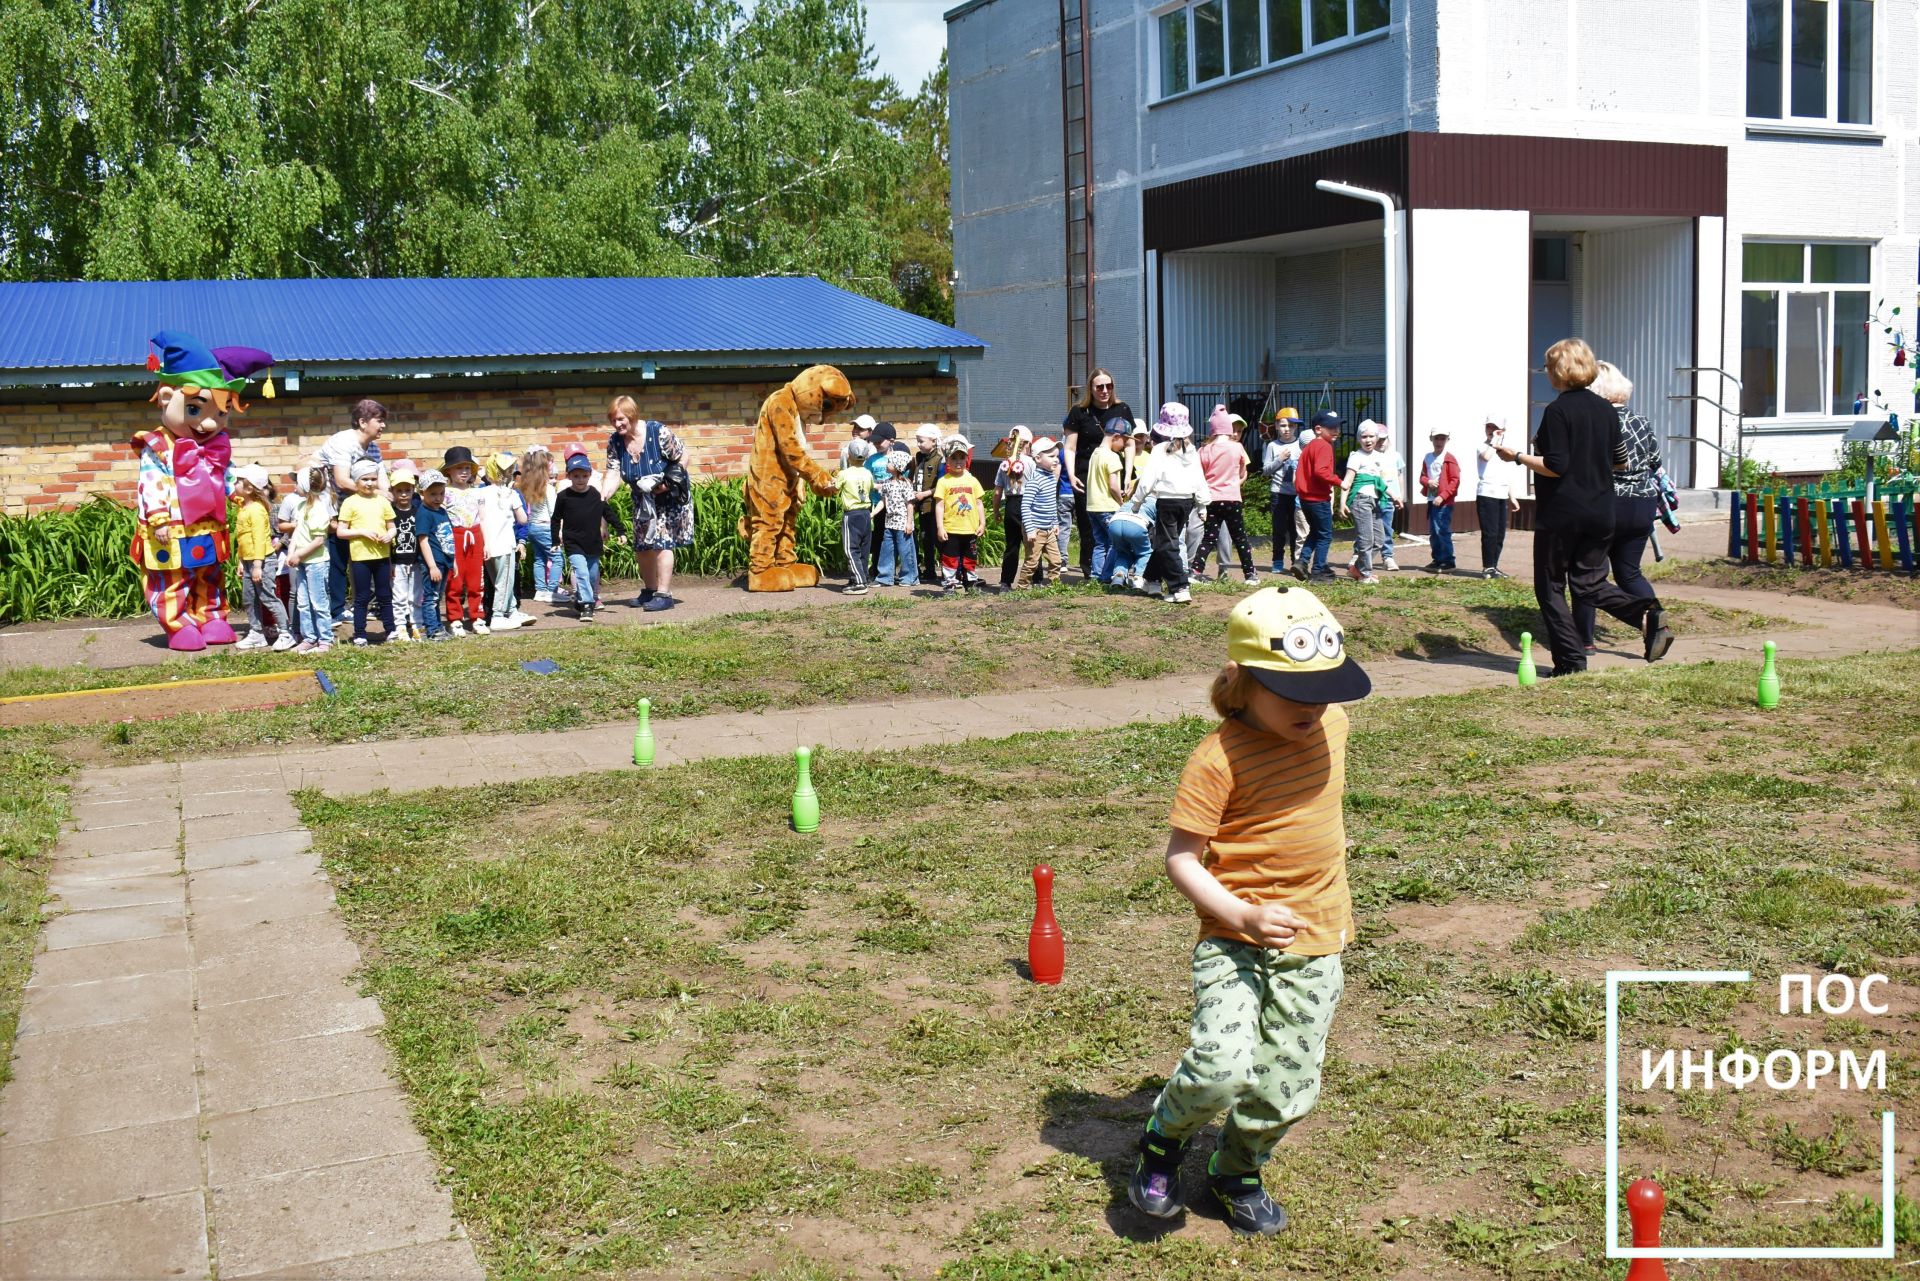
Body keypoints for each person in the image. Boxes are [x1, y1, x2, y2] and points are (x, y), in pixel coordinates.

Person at [1128, 585, 1371, 1233]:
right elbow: (1181, 859)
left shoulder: (1333, 725)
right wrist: (1243, 915)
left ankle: (1235, 1167)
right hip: (1234, 937)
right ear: (1240, 684)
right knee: (1221, 1067)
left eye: (1325, 688)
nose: (1315, 705)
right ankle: (1162, 1141)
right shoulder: (1217, 759)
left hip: (1315, 934)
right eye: (1294, 691)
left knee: (1286, 1087)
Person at [1496, 338, 1674, 676]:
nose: (1546, 373)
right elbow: (1620, 462)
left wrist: (1516, 456)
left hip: (1563, 513)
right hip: (1602, 511)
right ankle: (1646, 613)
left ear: (1561, 371)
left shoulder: (1558, 411)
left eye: (1549, 367)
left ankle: (1571, 662)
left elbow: (1556, 465)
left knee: (1550, 588)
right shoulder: (1606, 408)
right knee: (1588, 584)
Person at [1574, 361, 1663, 648]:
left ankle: (1584, 641)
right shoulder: (1642, 420)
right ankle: (1655, 625)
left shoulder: (1598, 421)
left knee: (1588, 572)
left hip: (1609, 503)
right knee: (1629, 572)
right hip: (1644, 503)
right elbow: (1656, 461)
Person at [315, 399, 387, 631]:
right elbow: (342, 480)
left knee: (358, 557)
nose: (383, 426)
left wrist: (390, 497)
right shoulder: (344, 442)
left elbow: (382, 479)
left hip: (356, 505)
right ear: (362, 421)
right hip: (329, 502)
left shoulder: (374, 448)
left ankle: (362, 605)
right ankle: (335, 610)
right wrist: (375, 492)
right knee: (337, 556)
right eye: (379, 420)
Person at [1062, 368, 1134, 579]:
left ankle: (1115, 570)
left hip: (1115, 472)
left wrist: (1128, 476)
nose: (1104, 390)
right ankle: (1091, 572)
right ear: (1091, 389)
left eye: (1108, 386)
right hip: (1087, 474)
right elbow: (1070, 447)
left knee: (1118, 524)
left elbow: (1129, 445)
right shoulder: (1079, 412)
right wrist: (1072, 474)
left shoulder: (1122, 408)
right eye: (1099, 386)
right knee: (1088, 525)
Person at [1135, 403, 1208, 604]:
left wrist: (1136, 502)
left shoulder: (1159, 449)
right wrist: (1202, 504)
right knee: (1164, 541)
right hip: (1186, 503)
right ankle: (1151, 580)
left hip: (1166, 502)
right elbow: (1199, 477)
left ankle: (1180, 586)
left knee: (1168, 544)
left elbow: (1148, 479)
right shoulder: (1191, 450)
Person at [1195, 408, 1259, 585]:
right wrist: (1232, 484)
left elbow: (1199, 475)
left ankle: (1196, 570)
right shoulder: (1237, 447)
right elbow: (1242, 472)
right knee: (1240, 538)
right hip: (1232, 499)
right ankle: (1250, 574)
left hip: (1211, 499)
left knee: (1209, 537)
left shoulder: (1204, 450)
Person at [231, 464, 292, 650]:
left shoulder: (257, 509)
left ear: (249, 488)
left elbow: (259, 539)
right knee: (249, 598)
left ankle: (285, 632)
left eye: (238, 481)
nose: (234, 484)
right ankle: (257, 633)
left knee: (267, 597)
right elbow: (243, 539)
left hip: (262, 561)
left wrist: (257, 565)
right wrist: (242, 562)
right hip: (250, 561)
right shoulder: (244, 507)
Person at [336, 459, 396, 646]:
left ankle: (390, 630)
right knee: (362, 597)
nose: (369, 483)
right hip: (360, 557)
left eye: (373, 479)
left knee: (385, 594)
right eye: (364, 479)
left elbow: (392, 526)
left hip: (381, 556)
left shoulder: (383, 501)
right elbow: (341, 531)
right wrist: (361, 532)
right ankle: (360, 633)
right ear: (356, 481)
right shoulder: (350, 502)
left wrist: (389, 535)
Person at [552, 451, 614, 621]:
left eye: (584, 476)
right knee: (582, 572)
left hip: (592, 542)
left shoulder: (595, 494)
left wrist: (621, 530)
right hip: (573, 542)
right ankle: (587, 605)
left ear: (589, 475)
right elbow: (556, 519)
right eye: (576, 476)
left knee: (593, 575)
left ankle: (582, 598)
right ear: (569, 476)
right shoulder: (563, 497)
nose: (580, 479)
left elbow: (608, 513)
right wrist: (555, 540)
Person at [285, 464, 335, 656]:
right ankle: (309, 638)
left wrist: (299, 555)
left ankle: (325, 639)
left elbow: (319, 540)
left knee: (318, 602)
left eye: (297, 483)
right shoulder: (301, 506)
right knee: (303, 602)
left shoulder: (319, 509)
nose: (294, 486)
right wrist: (291, 552)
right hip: (302, 562)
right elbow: (296, 532)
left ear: (306, 485)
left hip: (316, 563)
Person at [481, 452, 529, 632]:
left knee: (497, 581)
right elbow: (523, 519)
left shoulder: (482, 492)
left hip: (488, 546)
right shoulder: (511, 494)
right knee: (505, 582)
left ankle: (511, 611)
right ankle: (498, 616)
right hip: (505, 544)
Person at [440, 446, 486, 636]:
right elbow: (441, 519)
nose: (464, 472)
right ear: (449, 471)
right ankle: (455, 618)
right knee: (455, 581)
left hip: (475, 536)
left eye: (467, 468)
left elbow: (483, 519)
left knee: (477, 581)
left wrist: (486, 543)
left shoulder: (477, 492)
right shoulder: (445, 493)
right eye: (459, 468)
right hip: (455, 536)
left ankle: (477, 617)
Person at [1290, 412, 1341, 581]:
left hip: (1305, 499)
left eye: (1337, 427)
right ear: (1318, 429)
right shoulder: (1324, 446)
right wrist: (1339, 482)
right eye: (1332, 428)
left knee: (1316, 532)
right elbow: (1321, 472)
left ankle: (1302, 561)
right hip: (1318, 499)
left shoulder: (1309, 447)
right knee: (1325, 535)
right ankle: (1318, 571)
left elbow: (1299, 474)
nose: (1337, 431)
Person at [933, 435, 986, 594]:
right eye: (954, 458)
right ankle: (950, 584)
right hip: (951, 529)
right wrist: (940, 527)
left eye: (962, 457)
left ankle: (970, 583)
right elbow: (939, 505)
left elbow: (978, 503)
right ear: (947, 461)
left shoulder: (972, 480)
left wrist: (982, 523)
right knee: (950, 558)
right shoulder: (944, 481)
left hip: (970, 528)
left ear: (967, 459)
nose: (958, 461)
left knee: (970, 558)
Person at [1336, 422, 1389, 584]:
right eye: (1364, 437)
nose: (1368, 440)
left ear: (1376, 438)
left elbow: (1382, 482)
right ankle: (1365, 574)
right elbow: (1348, 481)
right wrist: (1342, 503)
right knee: (1365, 540)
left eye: (1371, 436)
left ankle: (1357, 568)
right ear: (1359, 438)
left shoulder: (1379, 457)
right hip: (1360, 500)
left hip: (1376, 501)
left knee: (1379, 540)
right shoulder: (1356, 456)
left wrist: (1395, 496)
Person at [1013, 437, 1067, 590]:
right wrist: (1030, 530)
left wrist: (1055, 522)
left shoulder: (1051, 477)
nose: (1055, 460)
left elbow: (1051, 504)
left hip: (1049, 529)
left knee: (1056, 560)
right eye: (1051, 456)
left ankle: (1054, 586)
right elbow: (1025, 506)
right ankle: (1021, 588)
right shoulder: (1034, 480)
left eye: (1057, 456)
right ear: (1037, 458)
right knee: (1032, 561)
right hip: (1035, 530)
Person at [1475, 416, 1520, 579]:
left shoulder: (1504, 451)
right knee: (1490, 532)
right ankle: (1487, 567)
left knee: (1500, 533)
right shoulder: (1483, 446)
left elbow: (1507, 475)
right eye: (1489, 427)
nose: (1491, 431)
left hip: (1501, 494)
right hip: (1487, 494)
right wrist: (1494, 441)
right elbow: (1486, 457)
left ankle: (1494, 566)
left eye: (1495, 428)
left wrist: (1512, 496)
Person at [1085, 420, 1130, 583]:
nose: (1124, 445)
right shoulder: (1112, 457)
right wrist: (1121, 501)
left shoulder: (1095, 453)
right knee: (1115, 543)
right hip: (1108, 506)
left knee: (1100, 543)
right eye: (1124, 440)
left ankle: (1096, 575)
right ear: (1116, 437)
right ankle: (1106, 575)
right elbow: (1113, 486)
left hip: (1092, 506)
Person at [413, 470, 454, 641]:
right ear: (422, 493)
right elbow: (423, 541)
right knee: (431, 597)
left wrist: (454, 561)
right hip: (433, 563)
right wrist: (431, 566)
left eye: (441, 493)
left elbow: (448, 537)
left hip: (444, 561)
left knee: (438, 597)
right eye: (433, 494)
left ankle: (438, 627)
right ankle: (432, 630)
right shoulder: (424, 512)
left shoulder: (442, 511)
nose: (438, 498)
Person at [992, 425, 1033, 588]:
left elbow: (997, 492)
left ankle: (1006, 582)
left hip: (1011, 505)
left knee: (1012, 545)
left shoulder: (1004, 464)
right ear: (1028, 444)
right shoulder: (1032, 462)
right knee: (1032, 544)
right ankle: (1035, 580)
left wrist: (996, 511)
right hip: (1029, 504)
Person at [519, 447, 562, 603]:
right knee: (557, 558)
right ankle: (552, 591)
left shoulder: (527, 488)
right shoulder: (548, 488)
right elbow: (554, 513)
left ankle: (540, 590)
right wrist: (559, 533)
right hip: (546, 527)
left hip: (532, 528)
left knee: (539, 559)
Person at [1261, 414, 1301, 575]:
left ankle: (1295, 561)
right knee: (1279, 529)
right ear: (1276, 426)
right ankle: (1277, 560)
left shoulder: (1301, 444)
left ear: (1296, 427)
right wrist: (1280, 459)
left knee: (1295, 529)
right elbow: (1265, 471)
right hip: (1278, 492)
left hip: (1297, 494)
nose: (1287, 429)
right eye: (1283, 425)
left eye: (1291, 426)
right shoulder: (1272, 446)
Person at [836, 438, 876, 595]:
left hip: (851, 515)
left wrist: (829, 485)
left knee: (851, 549)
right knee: (864, 548)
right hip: (866, 513)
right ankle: (861, 577)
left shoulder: (844, 474)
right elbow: (872, 487)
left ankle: (859, 583)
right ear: (866, 456)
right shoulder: (867, 472)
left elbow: (835, 488)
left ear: (848, 456)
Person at [387, 468, 422, 642]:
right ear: (392, 491)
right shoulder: (390, 513)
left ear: (413, 490)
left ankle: (417, 624)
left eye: (407, 490)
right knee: (399, 595)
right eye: (399, 490)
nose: (403, 494)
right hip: (397, 562)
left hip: (415, 561)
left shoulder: (418, 511)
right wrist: (390, 563)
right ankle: (400, 625)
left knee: (415, 595)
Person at [875, 451, 920, 586]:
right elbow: (883, 501)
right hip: (889, 522)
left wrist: (909, 523)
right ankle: (885, 576)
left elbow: (910, 504)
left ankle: (909, 577)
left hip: (902, 523)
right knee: (887, 549)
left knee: (906, 550)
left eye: (889, 461)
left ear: (897, 466)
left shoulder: (905, 484)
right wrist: (873, 513)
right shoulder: (887, 483)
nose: (887, 464)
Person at [1419, 431, 1460, 573]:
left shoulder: (1449, 458)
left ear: (1447, 440)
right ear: (1431, 439)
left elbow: (1455, 481)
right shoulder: (1428, 457)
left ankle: (1448, 561)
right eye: (1437, 438)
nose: (1439, 441)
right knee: (1434, 531)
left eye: (1442, 439)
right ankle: (1437, 559)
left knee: (1441, 530)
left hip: (1444, 501)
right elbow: (1422, 477)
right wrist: (1428, 482)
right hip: (1431, 499)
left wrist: (1443, 496)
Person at [909, 425, 945, 585]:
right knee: (926, 540)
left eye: (921, 441)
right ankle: (929, 571)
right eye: (917, 441)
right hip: (922, 507)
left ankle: (947, 572)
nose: (919, 444)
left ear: (934, 440)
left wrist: (925, 494)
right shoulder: (920, 458)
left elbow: (942, 485)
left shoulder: (939, 460)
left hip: (933, 507)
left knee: (939, 541)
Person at [1371, 425, 1403, 572]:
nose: (1382, 443)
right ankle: (1362, 557)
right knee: (1368, 529)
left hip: (1390, 499)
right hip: (1374, 498)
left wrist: (1400, 494)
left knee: (1387, 528)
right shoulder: (1370, 457)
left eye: (1384, 439)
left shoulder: (1395, 456)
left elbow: (1400, 475)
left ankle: (1388, 556)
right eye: (1379, 439)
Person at [1106, 498, 1154, 592]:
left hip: (1115, 522)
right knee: (1145, 553)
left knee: (1122, 553)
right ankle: (1139, 578)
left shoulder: (1133, 498)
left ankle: (1118, 576)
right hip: (1137, 523)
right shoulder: (1155, 501)